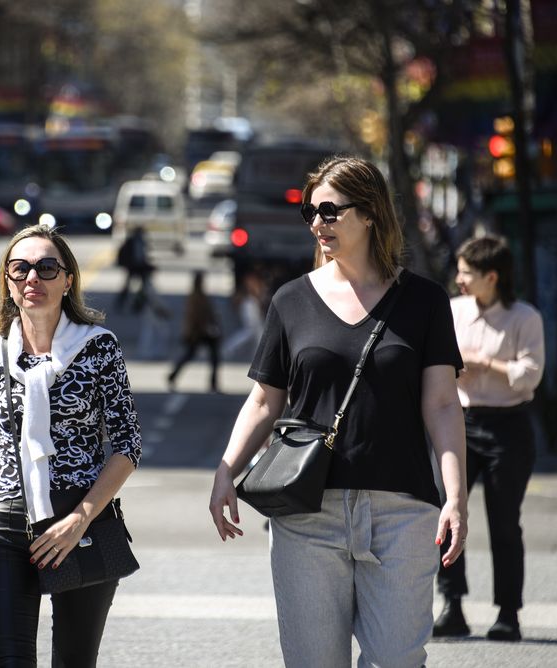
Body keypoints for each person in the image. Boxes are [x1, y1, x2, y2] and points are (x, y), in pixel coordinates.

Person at [209, 155, 468, 667]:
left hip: (402, 511)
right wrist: (225, 472)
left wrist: (455, 495)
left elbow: (441, 404)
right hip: (306, 511)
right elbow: (264, 399)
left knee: (397, 659)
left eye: (330, 210)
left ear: (369, 213)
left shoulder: (424, 301)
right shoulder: (291, 300)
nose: (317, 222)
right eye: (311, 211)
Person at [0, 223, 142, 666]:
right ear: (7, 283)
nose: (34, 278)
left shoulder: (99, 348)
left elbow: (128, 444)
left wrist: (79, 520)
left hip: (79, 522)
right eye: (20, 268)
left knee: (74, 660)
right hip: (6, 526)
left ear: (68, 280)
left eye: (47, 268)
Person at [433, 234, 544, 642]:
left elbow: (529, 376)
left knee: (504, 522)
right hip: (458, 421)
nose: (459, 280)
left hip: (507, 426)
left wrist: (484, 364)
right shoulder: (452, 310)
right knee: (447, 514)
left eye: (466, 273)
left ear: (492, 277)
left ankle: (508, 613)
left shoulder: (524, 318)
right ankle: (452, 606)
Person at [167, 271, 221, 392]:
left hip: (203, 331)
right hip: (198, 332)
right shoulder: (196, 297)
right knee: (191, 355)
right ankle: (173, 376)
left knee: (212, 357)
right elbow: (194, 316)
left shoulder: (201, 295)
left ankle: (213, 383)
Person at [222, 270, 268, 361]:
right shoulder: (251, 283)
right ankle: (229, 347)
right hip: (249, 305)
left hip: (250, 304)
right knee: (251, 331)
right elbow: (254, 295)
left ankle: (259, 357)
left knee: (258, 332)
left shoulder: (253, 283)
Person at [115, 226, 153, 312]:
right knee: (128, 287)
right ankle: (121, 304)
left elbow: (142, 257)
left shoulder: (141, 242)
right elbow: (133, 256)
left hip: (140, 267)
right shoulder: (131, 242)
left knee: (143, 288)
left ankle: (138, 306)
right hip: (133, 267)